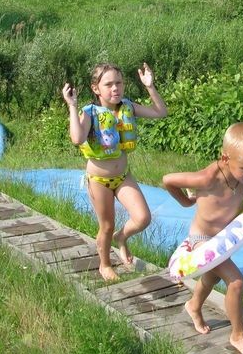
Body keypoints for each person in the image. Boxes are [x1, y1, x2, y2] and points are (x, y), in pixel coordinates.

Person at [162, 122, 243, 354]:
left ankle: (193, 305)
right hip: (203, 239)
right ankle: (238, 335)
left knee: (211, 277)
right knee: (236, 282)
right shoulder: (207, 178)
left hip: (224, 236)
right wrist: (184, 201)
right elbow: (168, 179)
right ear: (225, 157)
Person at [62, 62, 167, 281]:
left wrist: (150, 86)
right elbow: (77, 138)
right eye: (108, 84)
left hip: (122, 176)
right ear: (96, 88)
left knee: (143, 218)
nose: (115, 88)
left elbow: (160, 112)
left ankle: (122, 238)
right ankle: (105, 264)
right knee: (106, 226)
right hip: (99, 180)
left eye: (118, 83)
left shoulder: (127, 107)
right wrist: (72, 106)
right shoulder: (90, 112)